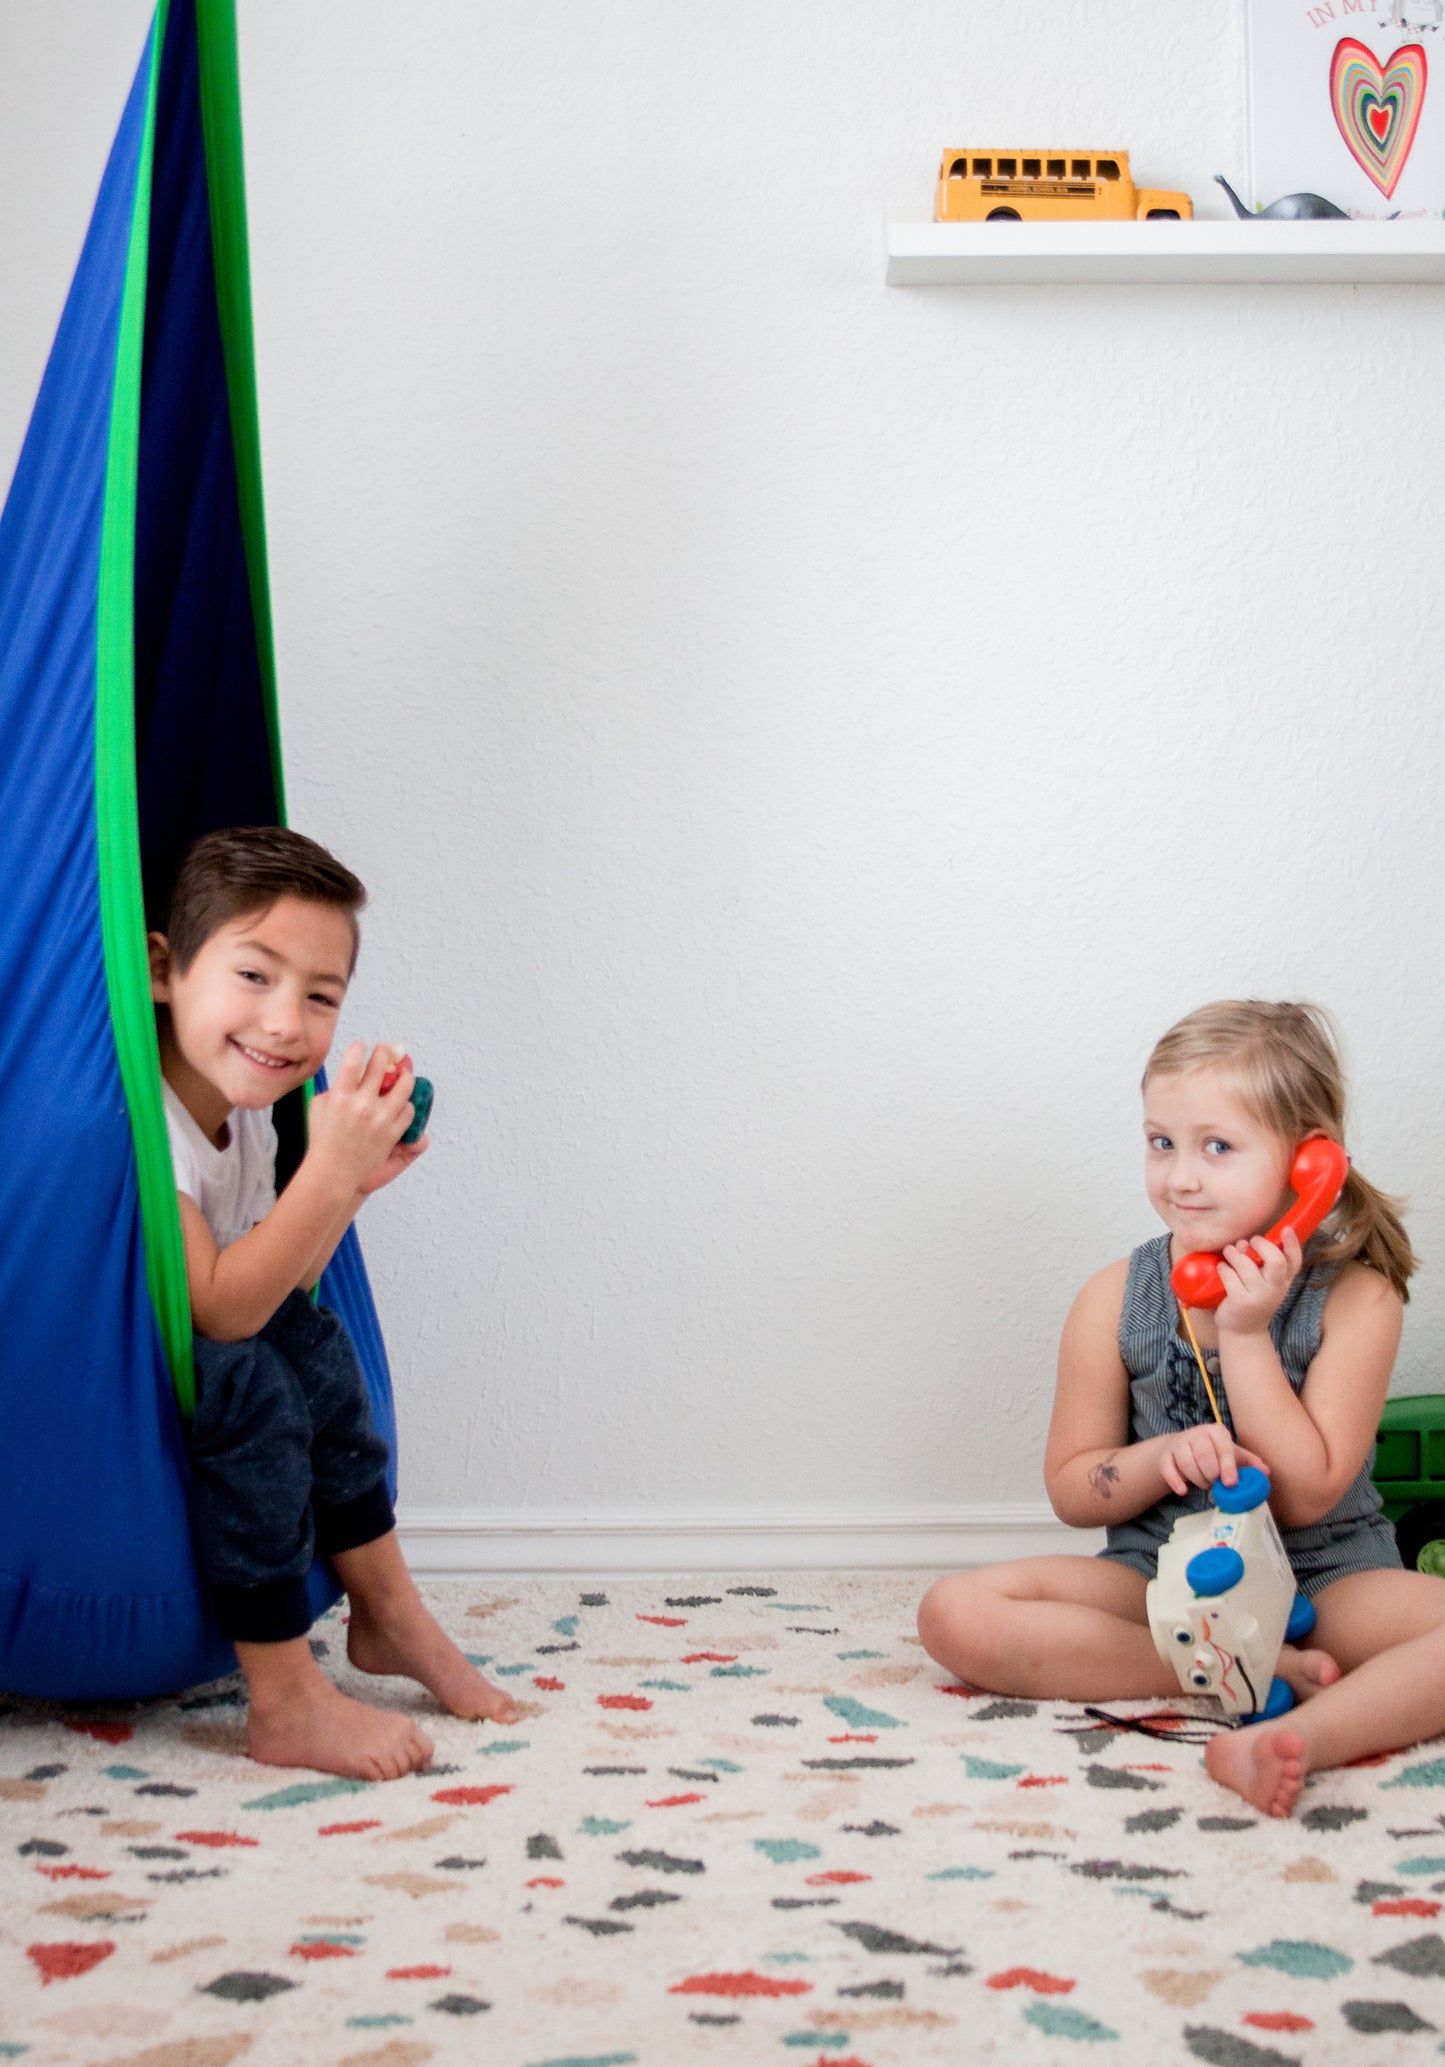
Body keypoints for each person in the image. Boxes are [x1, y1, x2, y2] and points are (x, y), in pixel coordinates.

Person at [917, 999, 1445, 1817]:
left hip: (1327, 1575)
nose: (1180, 1175)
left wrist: (1244, 1332)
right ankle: (1240, 1676)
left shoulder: (1359, 1298)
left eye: (1216, 1146)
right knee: (953, 1613)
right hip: (1157, 1580)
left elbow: (1308, 1493)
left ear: (1310, 1162)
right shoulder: (1112, 1298)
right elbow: (1070, 1486)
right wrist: (1153, 1460)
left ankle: (1296, 1737)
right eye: (1161, 1141)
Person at [150, 824, 516, 1780]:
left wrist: (349, 1182)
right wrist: (329, 1170)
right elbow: (219, 1315)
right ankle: (283, 1700)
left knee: (309, 1346)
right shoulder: (147, 1123)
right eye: (254, 976)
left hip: (225, 1343)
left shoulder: (250, 1115)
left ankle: (390, 1617)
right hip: (128, 1391)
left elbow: (284, 1289)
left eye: (320, 997)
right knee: (255, 1383)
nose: (284, 1023)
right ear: (164, 969)